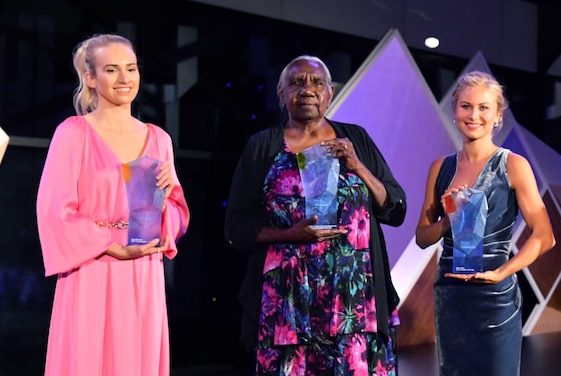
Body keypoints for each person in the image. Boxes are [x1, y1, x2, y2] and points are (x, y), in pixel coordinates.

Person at [224, 55, 406, 375]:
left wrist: (357, 165)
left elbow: (394, 209)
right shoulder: (262, 147)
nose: (306, 90)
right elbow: (237, 226)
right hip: (287, 304)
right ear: (280, 95)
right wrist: (288, 234)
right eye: (296, 83)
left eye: (316, 83)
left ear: (330, 93)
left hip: (354, 302)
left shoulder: (356, 140)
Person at [36, 33, 190, 376]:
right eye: (112, 69)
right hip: (92, 266)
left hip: (142, 272)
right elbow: (54, 211)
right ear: (91, 78)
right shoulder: (73, 133)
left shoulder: (159, 139)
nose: (125, 79)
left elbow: (176, 218)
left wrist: (165, 203)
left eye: (131, 68)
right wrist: (110, 246)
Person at [415, 71, 555, 376]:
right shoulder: (440, 167)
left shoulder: (514, 165)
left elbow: (545, 237)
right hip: (451, 293)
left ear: (497, 116)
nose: (473, 115)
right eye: (466, 106)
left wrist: (501, 273)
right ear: (454, 112)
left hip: (495, 295)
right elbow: (423, 237)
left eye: (483, 107)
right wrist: (447, 220)